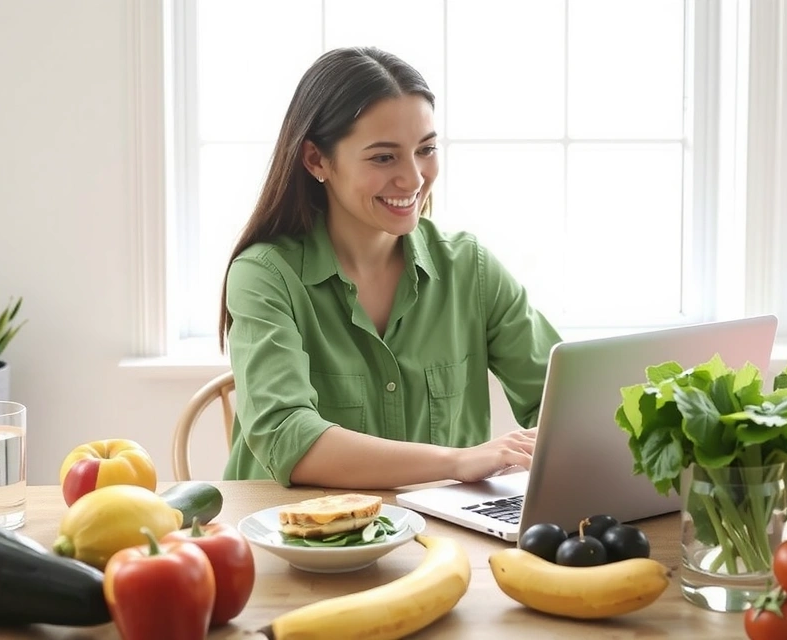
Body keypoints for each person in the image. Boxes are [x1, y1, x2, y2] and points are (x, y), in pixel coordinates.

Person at [218, 46, 562, 489]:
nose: (414, 178)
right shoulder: (264, 275)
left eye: (426, 149)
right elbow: (288, 437)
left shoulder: (469, 269)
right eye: (384, 157)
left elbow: (561, 404)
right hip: (294, 537)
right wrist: (457, 461)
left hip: (444, 537)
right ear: (316, 160)